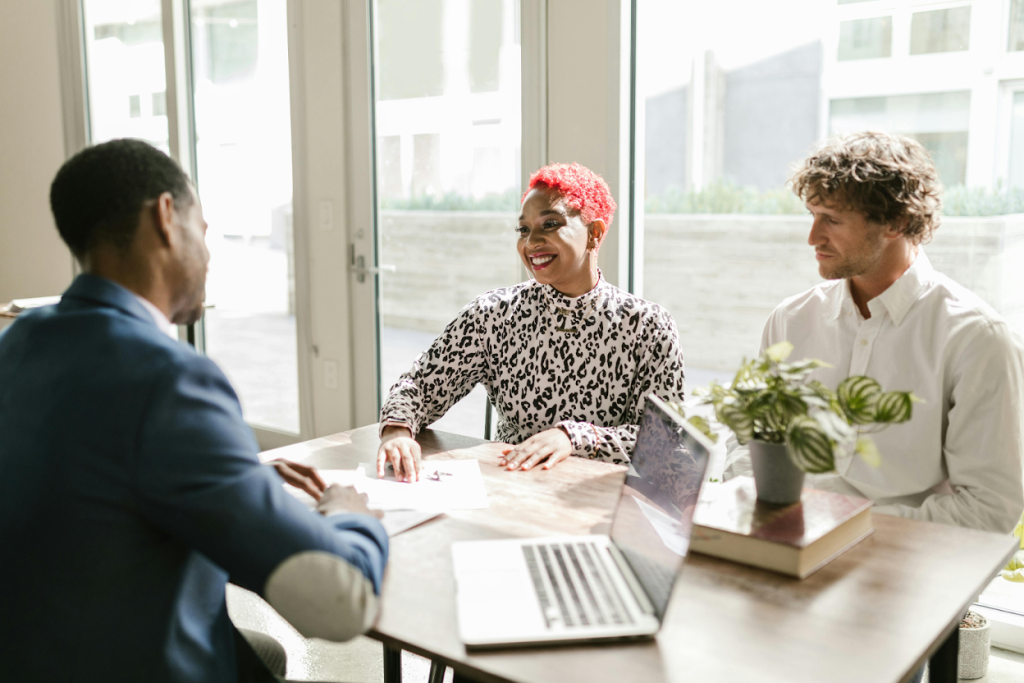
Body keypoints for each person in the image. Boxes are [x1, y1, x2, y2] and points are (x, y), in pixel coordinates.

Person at [0, 139, 388, 683]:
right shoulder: (167, 378)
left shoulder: (18, 342)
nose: (208, 255)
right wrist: (350, 514)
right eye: (204, 231)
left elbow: (87, 472)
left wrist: (227, 475)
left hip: (35, 648)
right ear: (165, 217)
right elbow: (338, 600)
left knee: (262, 652)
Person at [724, 131, 1024, 534]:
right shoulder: (791, 320)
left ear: (896, 223)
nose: (812, 238)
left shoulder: (976, 339)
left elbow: (989, 510)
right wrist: (765, 510)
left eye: (831, 219)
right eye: (812, 215)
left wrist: (839, 527)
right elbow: (746, 443)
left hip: (903, 572)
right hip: (781, 548)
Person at [377, 162, 687, 481]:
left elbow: (663, 444)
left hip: (598, 503)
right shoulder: (492, 314)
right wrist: (397, 430)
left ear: (594, 234)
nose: (531, 242)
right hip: (512, 489)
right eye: (524, 229)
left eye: (549, 224)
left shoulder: (649, 326)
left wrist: (574, 436)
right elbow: (421, 385)